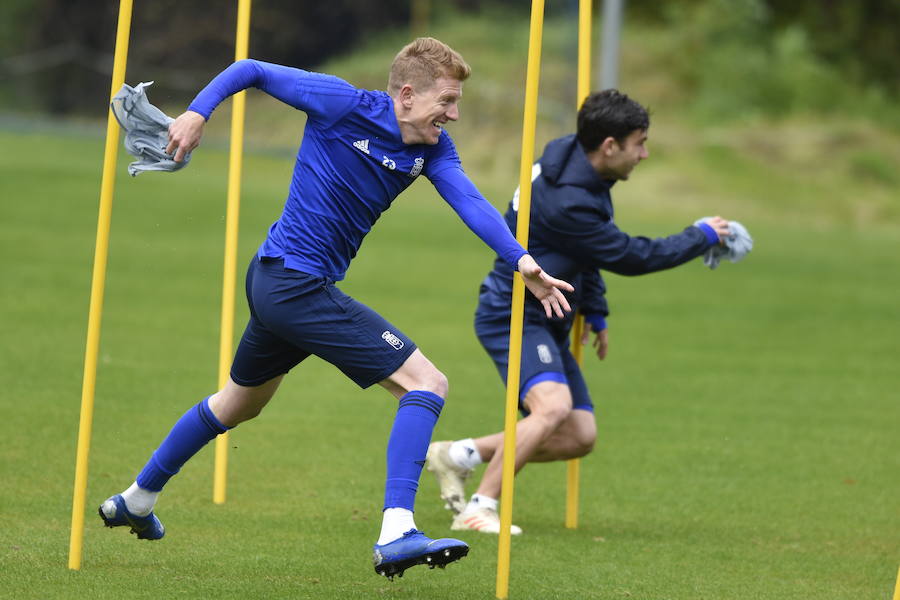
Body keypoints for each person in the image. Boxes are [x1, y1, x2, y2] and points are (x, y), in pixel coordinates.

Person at [97, 38, 575, 579]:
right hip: (292, 284)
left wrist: (521, 261)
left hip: (279, 283)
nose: (454, 114)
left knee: (237, 404)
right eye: (447, 101)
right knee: (427, 383)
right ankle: (397, 530)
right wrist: (196, 114)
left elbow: (470, 201)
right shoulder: (343, 103)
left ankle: (137, 499)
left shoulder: (433, 148)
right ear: (408, 95)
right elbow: (249, 68)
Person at [425, 89, 733, 535]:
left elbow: (584, 252)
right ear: (609, 146)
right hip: (512, 314)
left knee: (579, 435)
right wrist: (700, 235)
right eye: (639, 143)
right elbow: (630, 256)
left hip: (550, 313)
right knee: (551, 410)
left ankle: (457, 456)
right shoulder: (570, 200)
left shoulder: (573, 157)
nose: (643, 154)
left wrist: (596, 310)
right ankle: (479, 507)